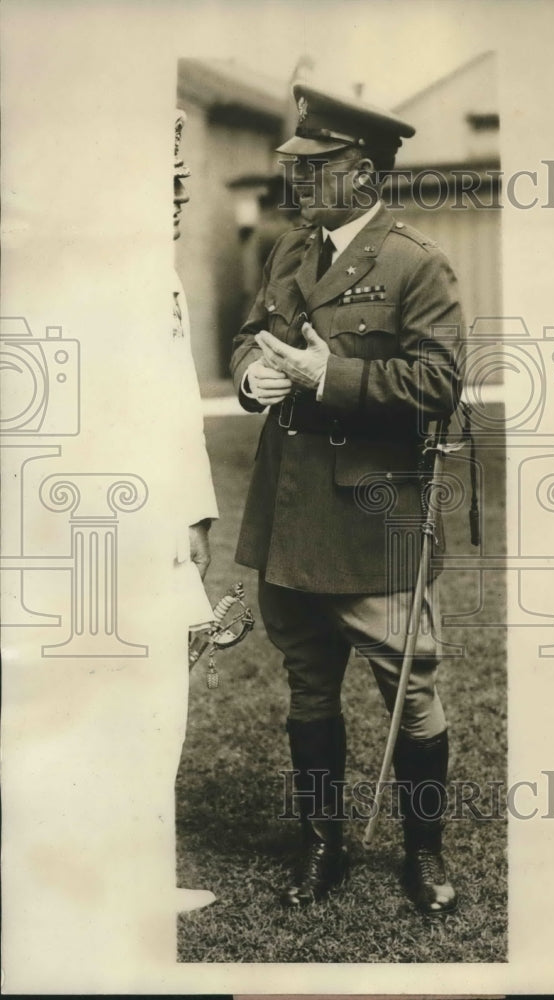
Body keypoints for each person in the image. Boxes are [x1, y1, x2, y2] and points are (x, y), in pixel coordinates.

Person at [230, 84, 463, 915]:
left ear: (363, 174)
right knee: (307, 685)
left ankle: (424, 853)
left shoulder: (414, 261)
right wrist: (252, 378)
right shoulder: (290, 250)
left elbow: (438, 383)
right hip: (291, 514)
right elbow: (250, 335)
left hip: (372, 520)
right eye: (295, 165)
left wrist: (330, 376)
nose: (296, 180)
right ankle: (321, 845)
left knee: (411, 689)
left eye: (315, 167)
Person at [171, 108, 220, 912]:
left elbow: (178, 408)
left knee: (166, 681)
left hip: (162, 517)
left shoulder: (165, 275)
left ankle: (141, 860)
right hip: (108, 519)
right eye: (165, 181)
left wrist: (196, 513)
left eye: (181, 179)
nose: (181, 193)